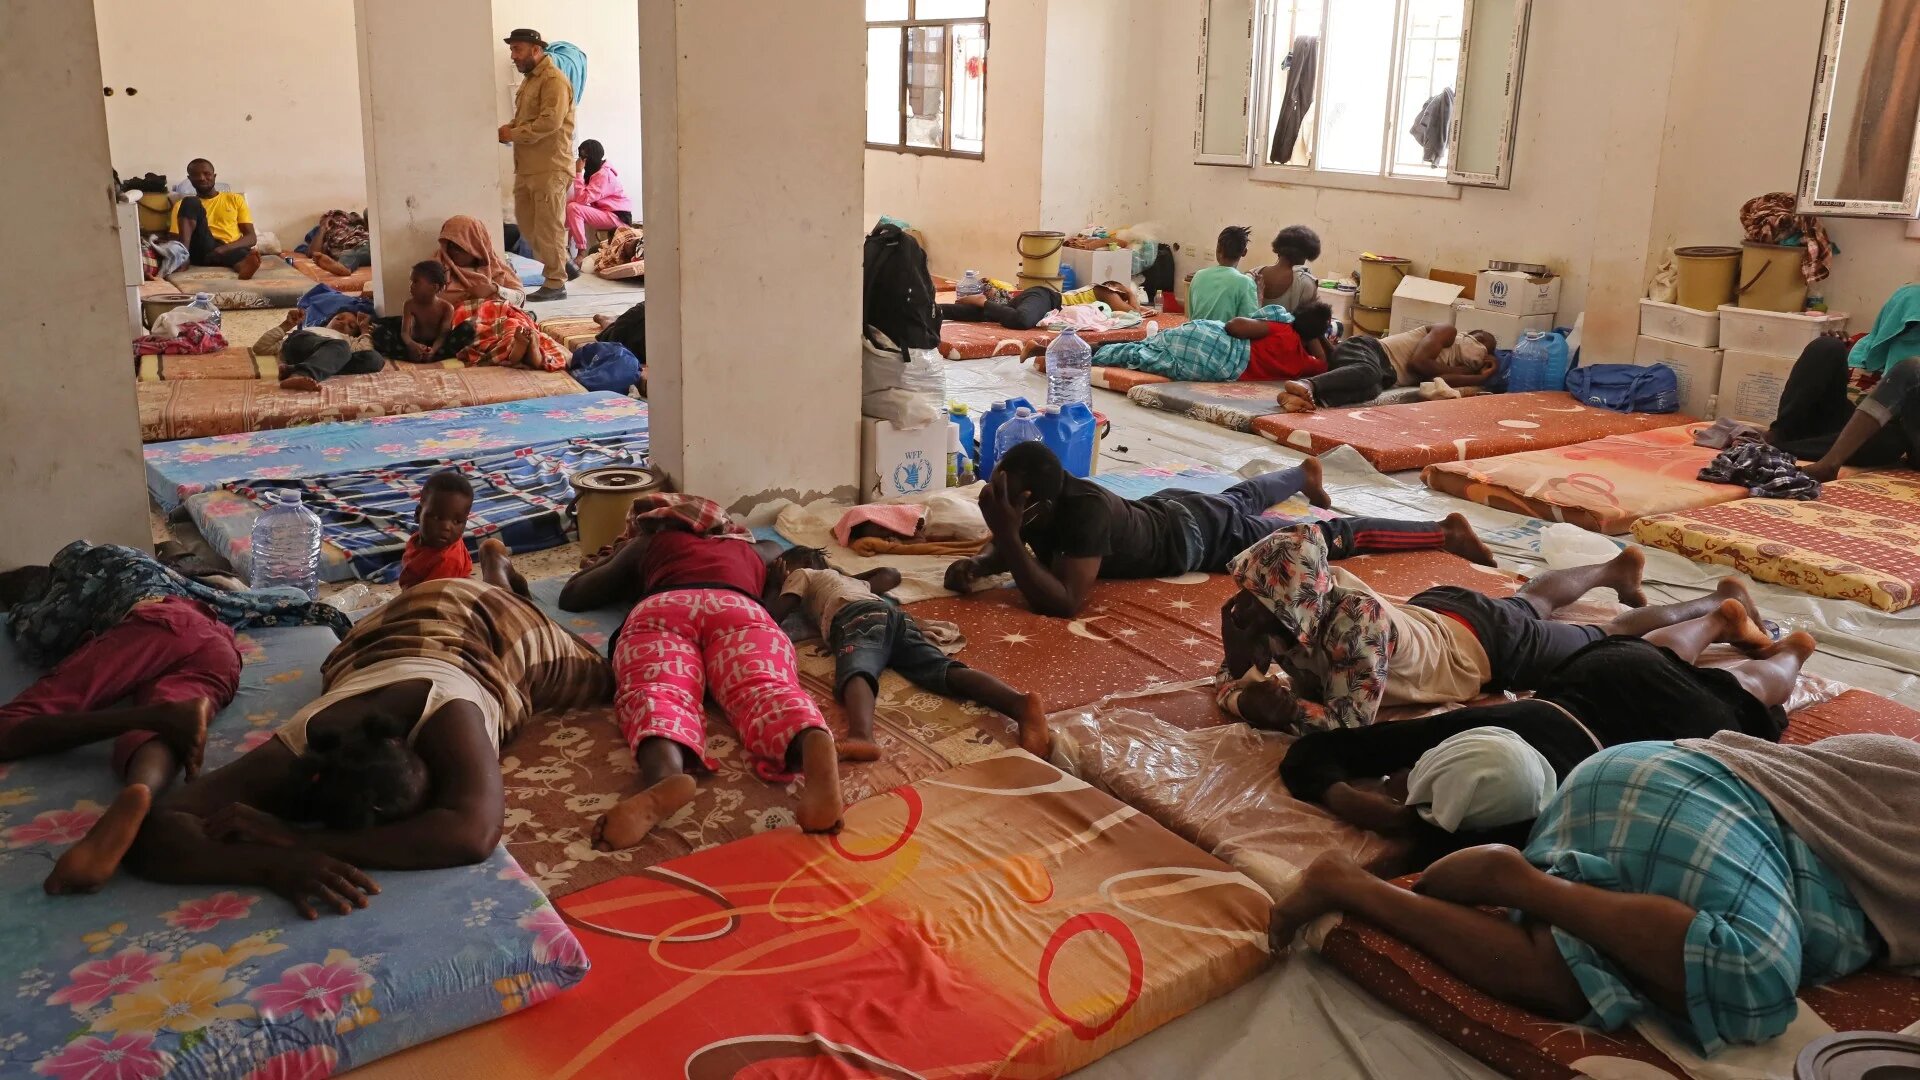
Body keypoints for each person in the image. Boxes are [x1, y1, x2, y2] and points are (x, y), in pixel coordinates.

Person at [1270, 729, 1920, 1056]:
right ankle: (1517, 879)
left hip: (1632, 774)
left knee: (1568, 981)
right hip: (1702, 792)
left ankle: (1349, 886)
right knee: (1748, 973)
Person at [122, 563, 613, 919]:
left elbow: (471, 833)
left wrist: (300, 839)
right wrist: (270, 865)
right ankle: (498, 576)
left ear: (406, 744)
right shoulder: (307, 745)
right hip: (381, 631)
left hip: (486, 625)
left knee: (604, 674)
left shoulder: (450, 712)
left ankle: (504, 582)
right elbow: (154, 828)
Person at [1280, 589, 1807, 866]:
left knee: (1753, 688)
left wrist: (1360, 806)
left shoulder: (1540, 815)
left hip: (1671, 730)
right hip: (1611, 676)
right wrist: (1371, 806)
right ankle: (1724, 623)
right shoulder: (1497, 725)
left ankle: (1793, 652)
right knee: (1660, 658)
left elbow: (1316, 757)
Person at [0, 542, 348, 895]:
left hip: (154, 624)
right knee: (177, 713)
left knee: (11, 725)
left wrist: (21, 617)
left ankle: (154, 718)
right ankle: (141, 788)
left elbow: (42, 637)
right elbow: (260, 601)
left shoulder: (84, 567)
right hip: (218, 647)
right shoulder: (168, 576)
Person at [1215, 525, 1779, 733]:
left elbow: (1348, 721)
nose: (1244, 606)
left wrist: (1276, 707)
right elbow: (1241, 683)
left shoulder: (1352, 625)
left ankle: (1715, 609)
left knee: (1609, 642)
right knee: (1530, 601)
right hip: (1436, 613)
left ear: (1290, 609)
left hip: (1481, 647)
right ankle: (1614, 567)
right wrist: (1238, 663)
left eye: (1256, 600)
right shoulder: (1289, 601)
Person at [558, 494, 843, 851]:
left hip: (666, 607)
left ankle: (665, 778)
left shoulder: (652, 542)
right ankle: (809, 737)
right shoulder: (763, 548)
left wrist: (618, 556)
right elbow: (800, 571)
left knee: (657, 691)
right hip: (741, 610)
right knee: (764, 687)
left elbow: (573, 596)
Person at [944, 446, 1494, 619]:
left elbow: (1066, 600)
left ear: (1033, 499)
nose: (999, 503)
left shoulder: (1082, 512)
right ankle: (1301, 474)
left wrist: (1007, 543)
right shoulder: (1045, 501)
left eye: (1006, 497)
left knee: (1325, 538)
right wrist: (984, 560)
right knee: (1238, 498)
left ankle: (1442, 531)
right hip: (1171, 507)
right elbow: (1015, 543)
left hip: (1199, 539)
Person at [766, 547, 1051, 761]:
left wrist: (777, 584)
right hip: (896, 617)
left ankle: (861, 736)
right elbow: (891, 575)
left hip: (857, 618)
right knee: (940, 668)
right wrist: (850, 577)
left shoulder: (803, 574)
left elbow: (773, 614)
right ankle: (1018, 704)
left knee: (857, 668)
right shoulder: (850, 583)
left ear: (802, 564)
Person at [1769, 286, 1920, 482]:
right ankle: (1779, 433)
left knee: (1892, 440)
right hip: (1834, 427)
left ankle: (1815, 458)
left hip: (1880, 438)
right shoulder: (1859, 346)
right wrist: (1839, 349)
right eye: (1907, 325)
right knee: (1826, 347)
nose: (1911, 334)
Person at [499, 28, 577, 302]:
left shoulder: (553, 80)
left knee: (548, 227)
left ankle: (556, 283)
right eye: (512, 50)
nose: (513, 56)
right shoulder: (530, 81)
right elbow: (525, 121)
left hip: (550, 167)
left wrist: (514, 134)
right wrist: (508, 129)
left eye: (517, 50)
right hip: (527, 167)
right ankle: (562, 262)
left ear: (535, 49)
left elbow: (550, 122)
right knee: (528, 226)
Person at [434, 217, 568, 371]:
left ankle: (527, 348)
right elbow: (430, 303)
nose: (453, 251)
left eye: (460, 246)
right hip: (469, 321)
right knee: (486, 335)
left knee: (518, 324)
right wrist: (467, 296)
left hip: (503, 312)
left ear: (476, 245)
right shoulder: (440, 268)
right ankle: (521, 351)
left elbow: (519, 298)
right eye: (449, 245)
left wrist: (495, 289)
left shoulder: (496, 267)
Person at [1280, 324, 1499, 412]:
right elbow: (1418, 364)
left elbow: (1441, 383)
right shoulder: (1447, 332)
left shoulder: (1457, 367)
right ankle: (1306, 383)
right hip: (1369, 349)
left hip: (1385, 375)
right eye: (1477, 341)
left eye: (1484, 351)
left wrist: (1479, 378)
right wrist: (1470, 372)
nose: (1478, 350)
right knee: (1369, 371)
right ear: (1467, 335)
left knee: (1371, 390)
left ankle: (1302, 397)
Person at [1092, 303, 1333, 382]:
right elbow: (1327, 361)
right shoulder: (1303, 364)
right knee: (1141, 357)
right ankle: (1093, 355)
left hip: (1210, 340)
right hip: (1215, 368)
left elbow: (1234, 326)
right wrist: (1317, 336)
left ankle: (1088, 351)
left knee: (1149, 345)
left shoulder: (1282, 329)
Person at [168, 159, 261, 278]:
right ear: (189, 179)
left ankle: (244, 267)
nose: (202, 178)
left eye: (206, 174)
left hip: (229, 247)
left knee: (242, 252)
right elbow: (177, 238)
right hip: (201, 250)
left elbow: (251, 238)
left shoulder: (235, 199)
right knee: (190, 201)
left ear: (214, 176)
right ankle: (183, 259)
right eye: (196, 175)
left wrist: (223, 249)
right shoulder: (182, 205)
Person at [254, 308, 383, 391]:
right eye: (339, 318)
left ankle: (294, 370)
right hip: (301, 345)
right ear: (328, 321)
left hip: (326, 358)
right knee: (341, 346)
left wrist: (364, 330)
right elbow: (261, 347)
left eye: (351, 326)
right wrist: (286, 325)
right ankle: (300, 374)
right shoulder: (314, 330)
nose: (343, 323)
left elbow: (366, 351)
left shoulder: (349, 340)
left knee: (375, 359)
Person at [398, 470, 479, 589]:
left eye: (457, 522)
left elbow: (430, 598)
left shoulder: (447, 561)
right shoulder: (417, 540)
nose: (447, 527)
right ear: (418, 514)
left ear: (465, 523)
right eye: (438, 518)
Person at [567, 139, 635, 258]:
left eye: (584, 156)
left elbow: (582, 199)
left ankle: (581, 252)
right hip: (607, 213)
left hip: (617, 217)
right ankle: (566, 247)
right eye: (580, 156)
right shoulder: (596, 171)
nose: (582, 160)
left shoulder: (603, 174)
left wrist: (578, 172)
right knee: (571, 205)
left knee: (573, 207)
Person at [1239, 301, 1333, 382]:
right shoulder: (1301, 362)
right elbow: (1323, 364)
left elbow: (1236, 326)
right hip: (1239, 375)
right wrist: (1316, 335)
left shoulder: (1282, 329)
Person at [1187, 226, 1261, 322]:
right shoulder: (1246, 283)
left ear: (1218, 249)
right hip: (1222, 337)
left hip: (1195, 334)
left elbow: (1191, 316)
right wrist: (1259, 296)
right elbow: (1248, 326)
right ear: (1244, 252)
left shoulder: (1198, 276)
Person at [938, 280, 1062, 331]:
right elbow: (1022, 320)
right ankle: (982, 301)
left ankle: (932, 310)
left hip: (1038, 301)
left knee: (995, 315)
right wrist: (984, 303)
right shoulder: (1042, 296)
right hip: (1045, 296)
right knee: (1020, 318)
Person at [398, 261, 460, 362]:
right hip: (415, 342)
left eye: (416, 282)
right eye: (411, 281)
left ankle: (432, 355)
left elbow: (443, 335)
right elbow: (404, 333)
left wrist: (433, 350)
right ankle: (422, 355)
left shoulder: (447, 308)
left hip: (438, 345)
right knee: (380, 332)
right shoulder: (409, 304)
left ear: (434, 287)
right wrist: (413, 345)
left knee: (467, 329)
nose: (411, 286)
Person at [1258, 225, 1322, 313]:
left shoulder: (1254, 273)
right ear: (1306, 254)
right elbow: (1308, 321)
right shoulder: (1306, 282)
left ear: (1278, 249)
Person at [306, 209, 370, 278]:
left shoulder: (358, 224)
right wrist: (323, 228)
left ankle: (342, 267)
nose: (339, 222)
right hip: (357, 250)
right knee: (350, 254)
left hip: (371, 243)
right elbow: (314, 253)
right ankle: (343, 268)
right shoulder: (328, 234)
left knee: (368, 210)